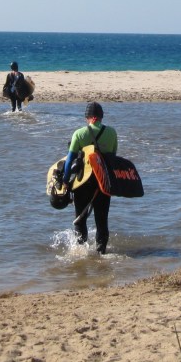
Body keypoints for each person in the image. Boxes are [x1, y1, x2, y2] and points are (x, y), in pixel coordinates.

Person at [62, 101, 119, 254]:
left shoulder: (79, 133)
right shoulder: (112, 133)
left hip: (83, 182)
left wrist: (65, 181)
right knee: (102, 221)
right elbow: (113, 157)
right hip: (103, 182)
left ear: (88, 117)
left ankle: (81, 252)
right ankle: (102, 253)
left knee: (80, 220)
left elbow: (69, 160)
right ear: (101, 117)